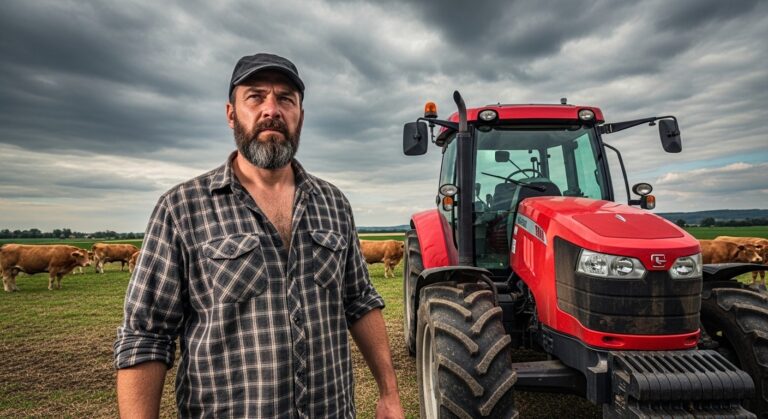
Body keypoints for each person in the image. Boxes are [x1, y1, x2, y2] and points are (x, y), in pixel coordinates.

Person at [114, 53, 404, 418]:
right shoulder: (181, 208)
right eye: (255, 97)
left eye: (286, 99)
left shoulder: (333, 203)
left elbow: (359, 301)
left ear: (300, 115)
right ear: (231, 113)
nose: (272, 109)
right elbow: (146, 334)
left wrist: (389, 393)